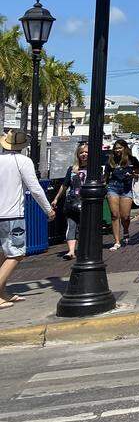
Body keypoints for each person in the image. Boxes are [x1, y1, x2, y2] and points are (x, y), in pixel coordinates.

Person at [0, 130, 54, 308]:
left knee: (3, 254)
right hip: (12, 214)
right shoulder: (23, 161)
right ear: (23, 146)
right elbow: (35, 189)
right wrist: (48, 210)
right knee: (17, 253)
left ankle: (2, 293)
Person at [52, 142, 87, 259]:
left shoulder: (93, 169)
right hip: (72, 202)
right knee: (71, 226)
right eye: (81, 152)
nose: (84, 154)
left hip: (87, 203)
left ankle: (84, 249)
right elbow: (65, 185)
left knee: (84, 226)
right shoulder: (71, 169)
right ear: (77, 155)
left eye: (86, 152)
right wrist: (56, 198)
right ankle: (71, 251)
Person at [105, 139, 139, 250]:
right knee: (115, 215)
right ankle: (116, 241)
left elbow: (138, 175)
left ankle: (125, 230)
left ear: (125, 148)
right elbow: (106, 176)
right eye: (115, 148)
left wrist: (133, 175)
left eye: (119, 147)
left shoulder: (132, 160)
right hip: (113, 187)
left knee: (125, 216)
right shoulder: (111, 161)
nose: (117, 150)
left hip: (126, 188)